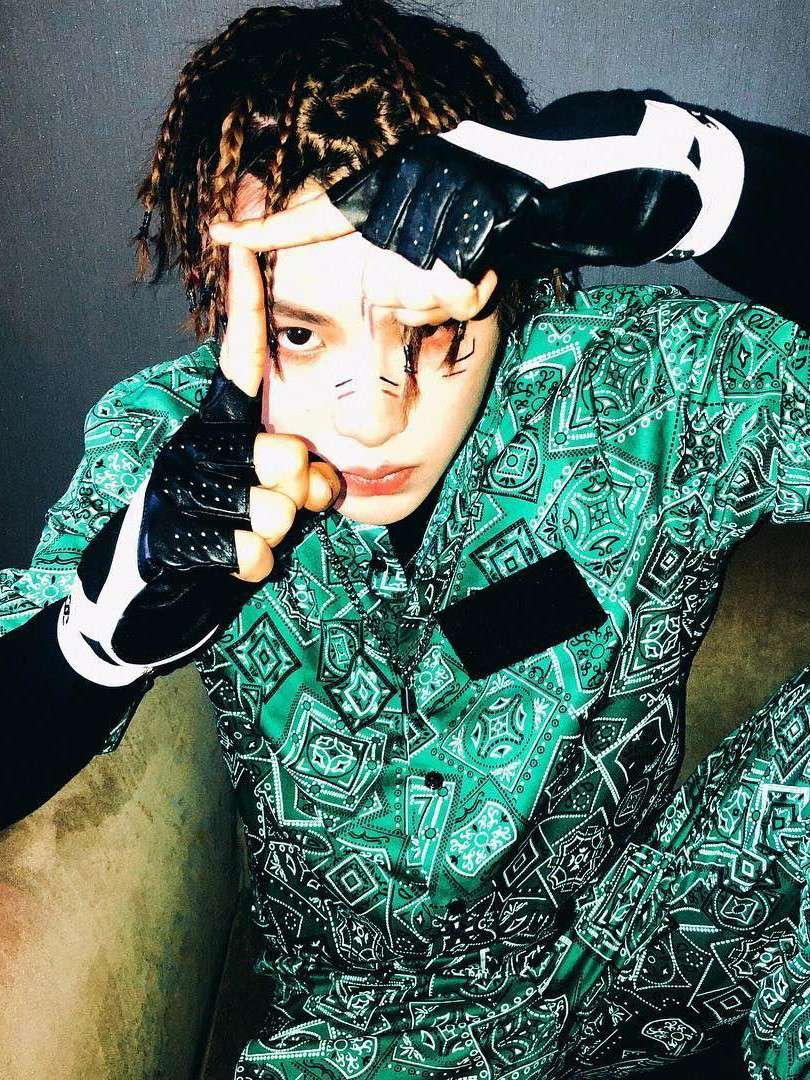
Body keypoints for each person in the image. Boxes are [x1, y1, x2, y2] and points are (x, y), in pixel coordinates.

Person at [1, 1, 808, 1076]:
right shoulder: (167, 460)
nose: (377, 415)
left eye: (430, 332)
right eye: (300, 333)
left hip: (642, 940)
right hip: (359, 1043)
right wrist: (95, 640)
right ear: (214, 296)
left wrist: (718, 184)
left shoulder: (646, 388)